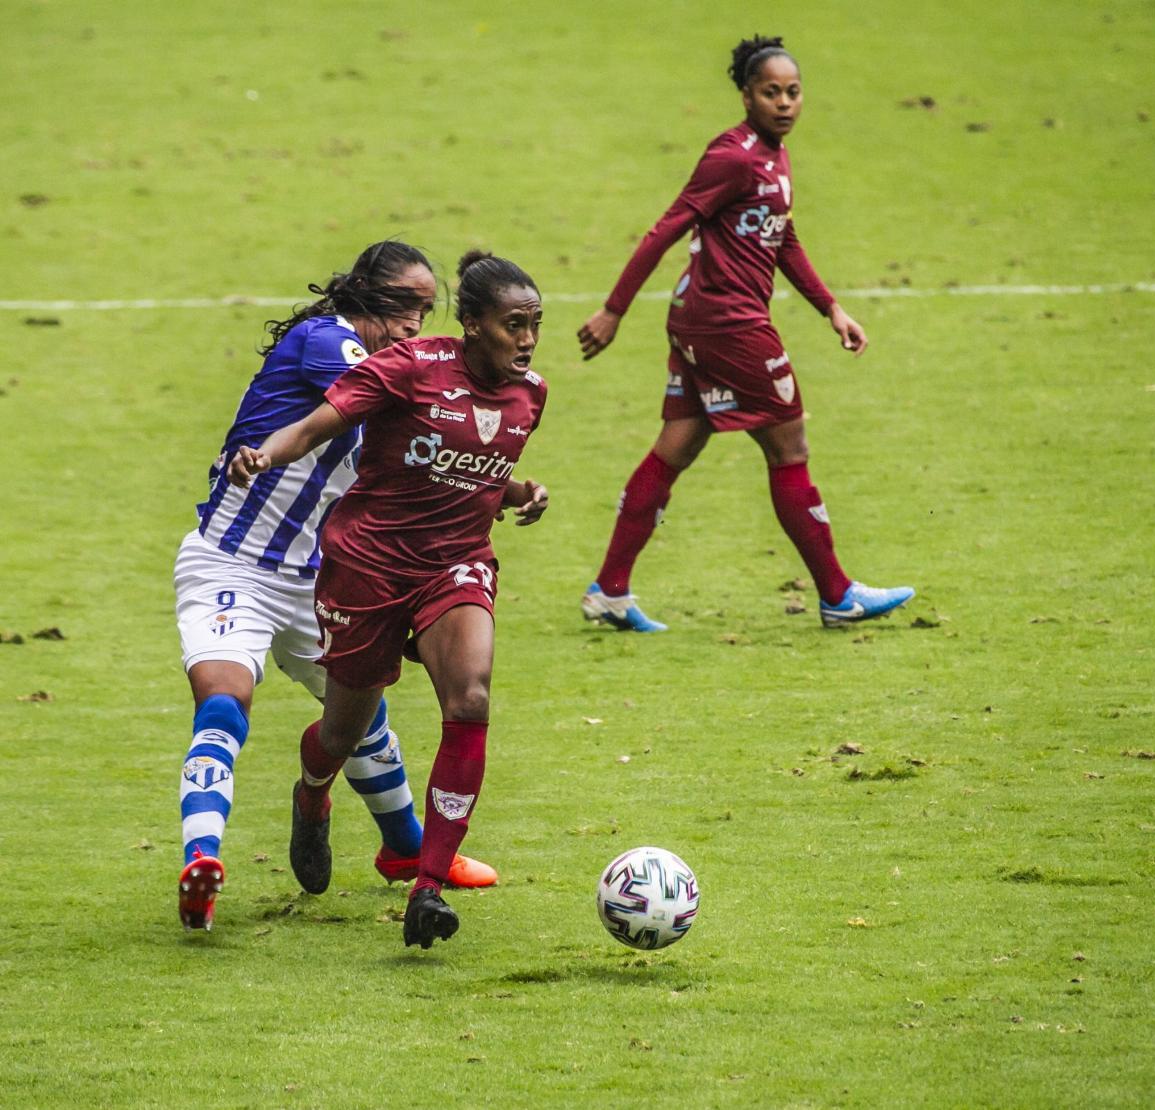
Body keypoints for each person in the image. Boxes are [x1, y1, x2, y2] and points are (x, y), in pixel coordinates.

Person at [228, 250, 548, 950]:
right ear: (470, 325)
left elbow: (474, 463)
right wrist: (264, 454)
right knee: (341, 735)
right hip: (368, 567)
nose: (526, 339)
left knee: (469, 701)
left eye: (535, 325)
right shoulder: (410, 367)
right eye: (512, 324)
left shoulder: (532, 394)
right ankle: (313, 793)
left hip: (455, 565)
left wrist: (523, 490)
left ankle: (426, 885)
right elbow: (318, 425)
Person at [175, 241, 498, 933]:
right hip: (233, 565)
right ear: (367, 296)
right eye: (407, 306)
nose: (416, 323)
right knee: (226, 701)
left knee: (359, 715)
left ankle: (404, 848)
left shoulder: (389, 359)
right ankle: (200, 861)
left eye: (426, 310)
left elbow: (421, 456)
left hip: (322, 578)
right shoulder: (326, 340)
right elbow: (407, 394)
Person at [577, 35, 915, 632]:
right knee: (790, 449)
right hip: (728, 324)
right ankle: (838, 595)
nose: (784, 102)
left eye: (793, 91)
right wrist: (613, 309)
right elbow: (666, 228)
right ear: (746, 95)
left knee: (678, 444)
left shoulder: (775, 155)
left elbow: (782, 237)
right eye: (770, 92)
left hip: (701, 322)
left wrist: (830, 308)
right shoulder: (731, 157)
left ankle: (609, 589)